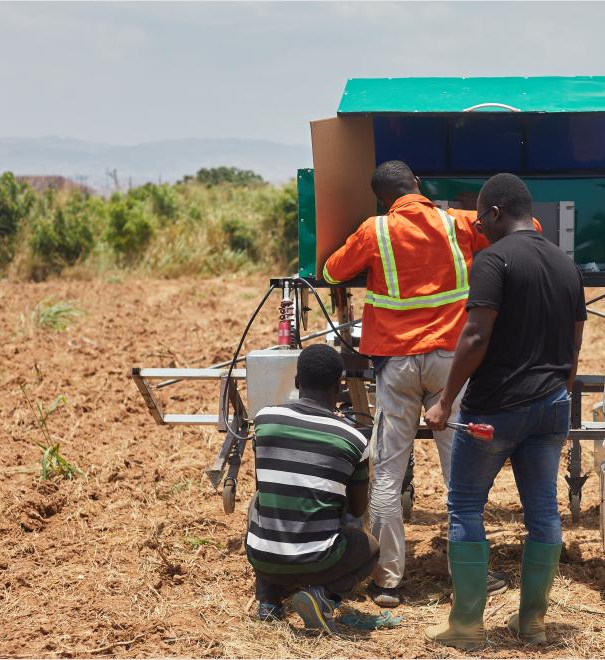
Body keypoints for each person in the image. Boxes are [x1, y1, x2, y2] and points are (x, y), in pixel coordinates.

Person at [322, 160, 516, 607]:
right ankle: (470, 576)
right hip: (451, 366)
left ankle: (388, 580)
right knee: (460, 476)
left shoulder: (375, 230)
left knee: (387, 472)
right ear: (419, 186)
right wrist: (479, 212)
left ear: (383, 199)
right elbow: (527, 225)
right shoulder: (457, 223)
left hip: (396, 366)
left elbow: (332, 272)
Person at [423, 173, 586, 649]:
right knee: (543, 513)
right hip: (552, 406)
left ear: (495, 211)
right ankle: (532, 624)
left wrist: (446, 400)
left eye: (480, 218)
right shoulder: (565, 263)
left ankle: (467, 626)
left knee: (465, 506)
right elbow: (576, 342)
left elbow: (475, 336)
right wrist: (560, 391)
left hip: (493, 410)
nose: (477, 225)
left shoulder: (492, 260)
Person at [246, 344, 379, 634]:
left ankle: (269, 602)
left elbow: (265, 485)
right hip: (318, 559)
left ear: (297, 382)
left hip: (262, 555)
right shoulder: (353, 439)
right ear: (339, 386)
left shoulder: (265, 421)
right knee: (369, 548)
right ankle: (323, 597)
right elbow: (357, 508)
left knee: (263, 502)